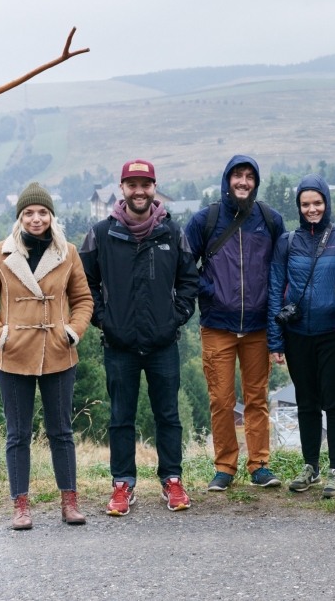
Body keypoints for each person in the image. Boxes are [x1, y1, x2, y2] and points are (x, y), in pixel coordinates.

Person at [80, 160, 199, 516]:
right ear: (122, 189)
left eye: (145, 184)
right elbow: (85, 285)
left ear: (154, 188)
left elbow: (190, 281)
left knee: (168, 415)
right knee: (120, 417)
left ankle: (172, 480)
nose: (139, 191)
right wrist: (105, 321)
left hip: (163, 344)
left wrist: (174, 318)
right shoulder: (100, 233)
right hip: (119, 346)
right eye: (132, 184)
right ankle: (122, 485)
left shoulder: (172, 233)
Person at [0, 183, 94, 530]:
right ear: (20, 217)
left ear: (51, 216)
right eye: (29, 213)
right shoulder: (0, 253)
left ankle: (69, 502)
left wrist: (72, 332)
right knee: (17, 433)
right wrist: (0, 335)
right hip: (13, 355)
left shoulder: (68, 252)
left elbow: (84, 300)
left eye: (42, 212)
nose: (36, 218)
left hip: (57, 352)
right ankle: (20, 506)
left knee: (61, 431)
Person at [185, 155, 284, 491]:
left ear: (256, 182)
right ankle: (225, 468)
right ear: (227, 179)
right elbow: (183, 265)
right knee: (221, 400)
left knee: (257, 399)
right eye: (237, 176)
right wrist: (209, 291)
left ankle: (259, 466)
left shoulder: (270, 220)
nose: (243, 182)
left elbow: (281, 270)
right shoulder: (206, 220)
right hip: (217, 326)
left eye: (249, 177)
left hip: (257, 327)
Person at [267, 174, 335, 498]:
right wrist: (275, 341)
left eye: (317, 202)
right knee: (306, 402)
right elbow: (276, 289)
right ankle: (310, 466)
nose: (312, 209)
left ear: (327, 202)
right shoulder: (287, 243)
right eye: (305, 204)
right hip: (297, 334)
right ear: (298, 207)